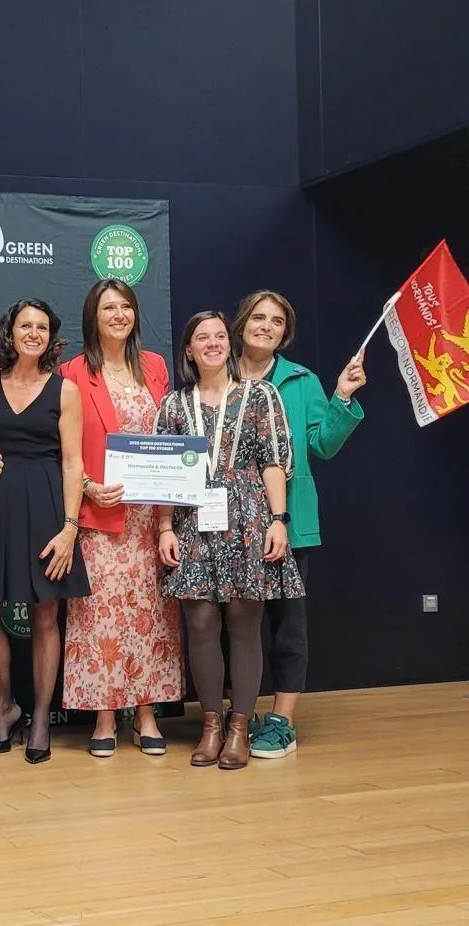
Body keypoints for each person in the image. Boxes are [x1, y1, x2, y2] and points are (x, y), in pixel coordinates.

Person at [155, 311, 303, 770]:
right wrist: (164, 528)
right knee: (200, 623)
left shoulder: (261, 395)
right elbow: (162, 474)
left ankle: (240, 726)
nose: (213, 343)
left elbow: (274, 460)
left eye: (220, 335)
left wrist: (278, 520)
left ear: (229, 343)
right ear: (189, 349)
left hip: (248, 516)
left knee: (243, 621)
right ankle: (211, 725)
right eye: (203, 337)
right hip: (192, 519)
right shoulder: (174, 405)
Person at [233, 290, 365, 758]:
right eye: (258, 317)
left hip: (289, 522)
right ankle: (238, 717)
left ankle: (282, 722)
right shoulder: (217, 372)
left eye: (277, 321)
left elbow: (323, 445)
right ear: (241, 323)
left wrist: (341, 397)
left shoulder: (301, 380)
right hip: (225, 523)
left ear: (285, 333)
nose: (266, 326)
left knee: (287, 626)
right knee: (234, 625)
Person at [58, 280, 184, 757]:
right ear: (93, 317)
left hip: (152, 515)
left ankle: (146, 712)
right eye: (108, 307)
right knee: (101, 618)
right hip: (101, 512)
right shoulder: (72, 372)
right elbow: (64, 449)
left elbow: (169, 437)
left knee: (152, 616)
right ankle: (105, 716)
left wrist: (168, 514)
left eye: (126, 306)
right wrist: (89, 486)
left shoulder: (154, 366)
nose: (118, 315)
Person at [0, 299, 90, 764]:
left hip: (46, 506)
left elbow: (73, 462)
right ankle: (5, 706)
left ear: (50, 337)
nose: (33, 333)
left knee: (45, 614)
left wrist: (70, 528)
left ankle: (40, 718)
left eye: (42, 327)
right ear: (10, 332)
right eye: (25, 325)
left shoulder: (65, 391)